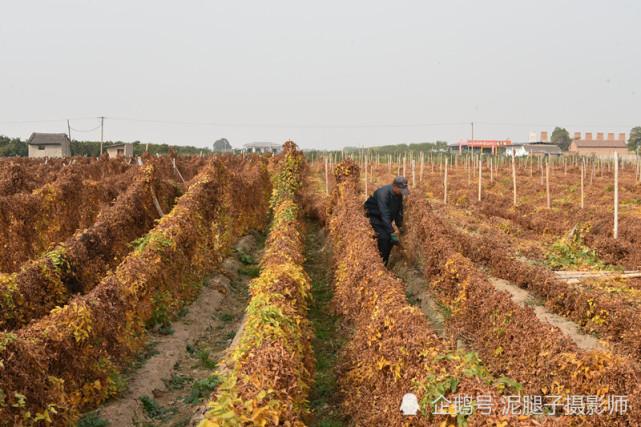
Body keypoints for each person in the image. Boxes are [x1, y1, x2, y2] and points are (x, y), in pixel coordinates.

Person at [364, 176, 409, 265]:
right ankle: (378, 265)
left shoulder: (398, 195)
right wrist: (392, 232)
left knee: (391, 241)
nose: (402, 193)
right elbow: (384, 213)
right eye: (401, 190)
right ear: (395, 186)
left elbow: (398, 211)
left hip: (384, 218)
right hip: (374, 216)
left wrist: (400, 226)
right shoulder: (383, 194)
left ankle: (384, 263)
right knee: (384, 238)